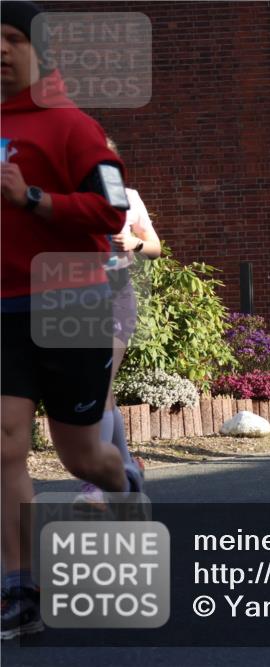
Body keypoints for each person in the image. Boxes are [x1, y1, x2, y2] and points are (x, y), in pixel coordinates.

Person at [2, 1, 136, 639]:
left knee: (81, 456)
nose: (0, 50)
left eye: (12, 39)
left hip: (69, 300)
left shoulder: (73, 126)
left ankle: (124, 482)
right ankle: (20, 587)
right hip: (3, 305)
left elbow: (112, 212)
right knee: (4, 445)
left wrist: (33, 198)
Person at [75, 139, 162, 508]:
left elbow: (155, 246)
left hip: (115, 298)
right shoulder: (70, 200)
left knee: (100, 384)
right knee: (102, 391)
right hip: (77, 301)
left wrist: (134, 243)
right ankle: (126, 469)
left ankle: (96, 482)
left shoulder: (128, 198)